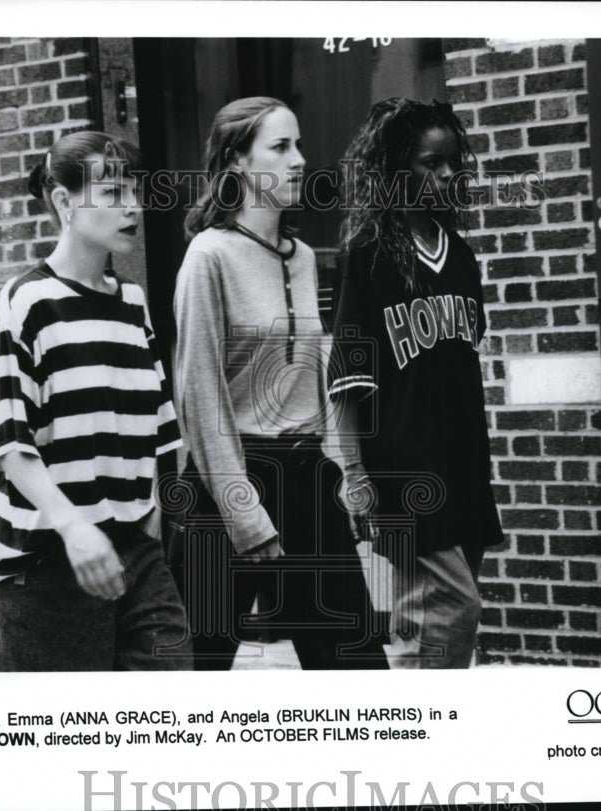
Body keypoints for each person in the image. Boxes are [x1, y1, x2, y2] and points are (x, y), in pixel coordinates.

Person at [172, 96, 388, 670]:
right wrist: (243, 511)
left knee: (355, 667)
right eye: (280, 146)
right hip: (229, 486)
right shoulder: (208, 256)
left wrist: (341, 471)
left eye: (299, 145)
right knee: (192, 674)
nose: (300, 160)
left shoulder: (304, 258)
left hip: (305, 482)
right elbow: (199, 395)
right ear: (237, 161)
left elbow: (314, 375)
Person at [0, 131, 190, 671]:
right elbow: (8, 440)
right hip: (42, 558)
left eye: (134, 191)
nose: (132, 206)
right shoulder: (27, 300)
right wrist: (74, 528)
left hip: (134, 551)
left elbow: (161, 424)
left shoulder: (133, 302)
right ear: (65, 202)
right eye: (112, 192)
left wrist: (151, 521)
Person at [329, 98, 504, 668]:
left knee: (431, 628)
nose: (449, 173)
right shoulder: (368, 255)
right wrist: (356, 475)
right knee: (450, 610)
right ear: (396, 169)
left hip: (464, 466)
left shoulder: (462, 257)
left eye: (454, 161)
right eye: (432, 162)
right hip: (401, 474)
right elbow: (349, 381)